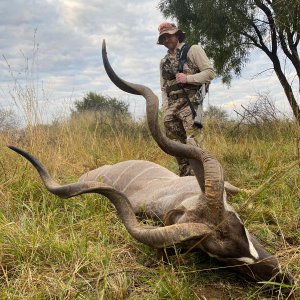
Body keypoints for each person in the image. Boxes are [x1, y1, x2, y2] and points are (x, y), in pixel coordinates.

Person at [158, 22, 215, 176]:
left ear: (177, 34)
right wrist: (165, 110)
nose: (166, 40)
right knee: (175, 145)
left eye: (169, 35)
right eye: (163, 38)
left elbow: (210, 73)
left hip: (191, 102)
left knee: (193, 143)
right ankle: (185, 177)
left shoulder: (193, 49)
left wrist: (188, 78)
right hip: (172, 105)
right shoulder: (163, 62)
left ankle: (203, 177)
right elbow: (164, 88)